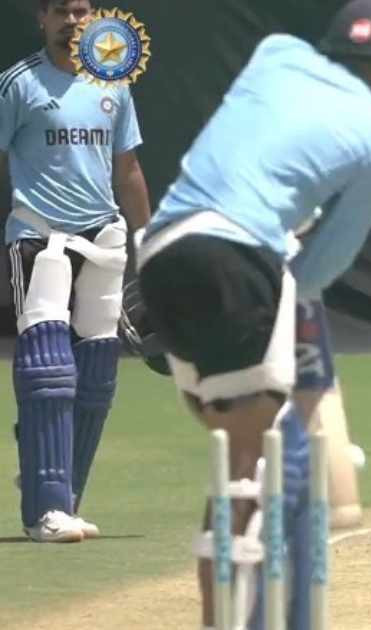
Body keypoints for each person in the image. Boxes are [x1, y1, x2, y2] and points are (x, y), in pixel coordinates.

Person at [135, 0, 371, 626]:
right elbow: (318, 272)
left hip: (160, 251)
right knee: (252, 465)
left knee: (234, 456)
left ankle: (223, 613)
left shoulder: (276, 53)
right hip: (237, 255)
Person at [1, 0, 151, 542]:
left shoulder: (114, 83)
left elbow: (128, 168)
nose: (71, 20)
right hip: (39, 235)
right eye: (59, 10)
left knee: (96, 376)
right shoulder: (18, 84)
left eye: (80, 9)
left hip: (104, 238)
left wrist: (148, 240)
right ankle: (43, 512)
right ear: (41, 18)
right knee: (48, 369)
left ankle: (62, 500)